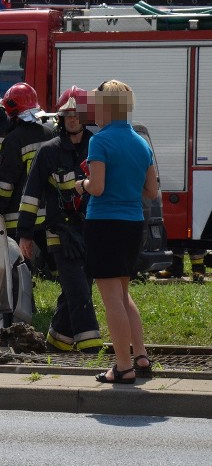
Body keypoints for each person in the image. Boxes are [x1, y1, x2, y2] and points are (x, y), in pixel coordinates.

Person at [76, 80, 158, 384]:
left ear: (107, 107)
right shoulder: (141, 143)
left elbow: (96, 188)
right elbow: (151, 191)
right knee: (123, 295)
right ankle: (141, 357)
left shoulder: (100, 141)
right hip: (132, 224)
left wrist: (80, 184)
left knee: (111, 299)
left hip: (104, 224)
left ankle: (123, 366)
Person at [18, 86, 103, 353]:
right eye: (67, 116)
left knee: (77, 287)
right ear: (61, 119)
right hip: (60, 232)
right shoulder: (48, 151)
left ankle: (58, 340)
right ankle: (90, 347)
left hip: (92, 230)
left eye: (77, 115)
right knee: (78, 289)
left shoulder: (96, 147)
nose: (72, 120)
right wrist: (26, 234)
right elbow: (31, 196)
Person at [0, 82, 55, 241]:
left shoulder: (13, 140)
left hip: (19, 220)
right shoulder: (51, 132)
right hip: (50, 215)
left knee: (21, 264)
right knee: (53, 264)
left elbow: (5, 186)